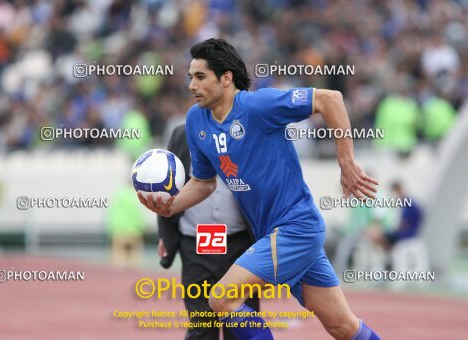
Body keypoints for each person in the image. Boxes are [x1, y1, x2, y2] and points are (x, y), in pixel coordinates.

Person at [138, 38, 380, 340]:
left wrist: (346, 161)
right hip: (273, 235)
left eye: (200, 77)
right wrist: (170, 207)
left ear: (226, 78)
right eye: (190, 77)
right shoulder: (195, 121)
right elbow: (203, 182)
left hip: (296, 228)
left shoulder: (257, 105)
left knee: (221, 298)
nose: (191, 85)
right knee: (344, 327)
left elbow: (330, 99)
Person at [158, 123, 259, 340]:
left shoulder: (246, 131)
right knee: (201, 323)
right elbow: (166, 185)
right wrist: (165, 236)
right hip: (194, 243)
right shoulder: (182, 134)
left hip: (241, 245)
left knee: (241, 324)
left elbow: (263, 183)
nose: (195, 87)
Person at [366, 181, 422, 252]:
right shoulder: (408, 203)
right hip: (406, 234)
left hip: (405, 236)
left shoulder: (408, 204)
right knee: (374, 233)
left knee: (375, 235)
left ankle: (389, 253)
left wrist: (390, 229)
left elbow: (403, 225)